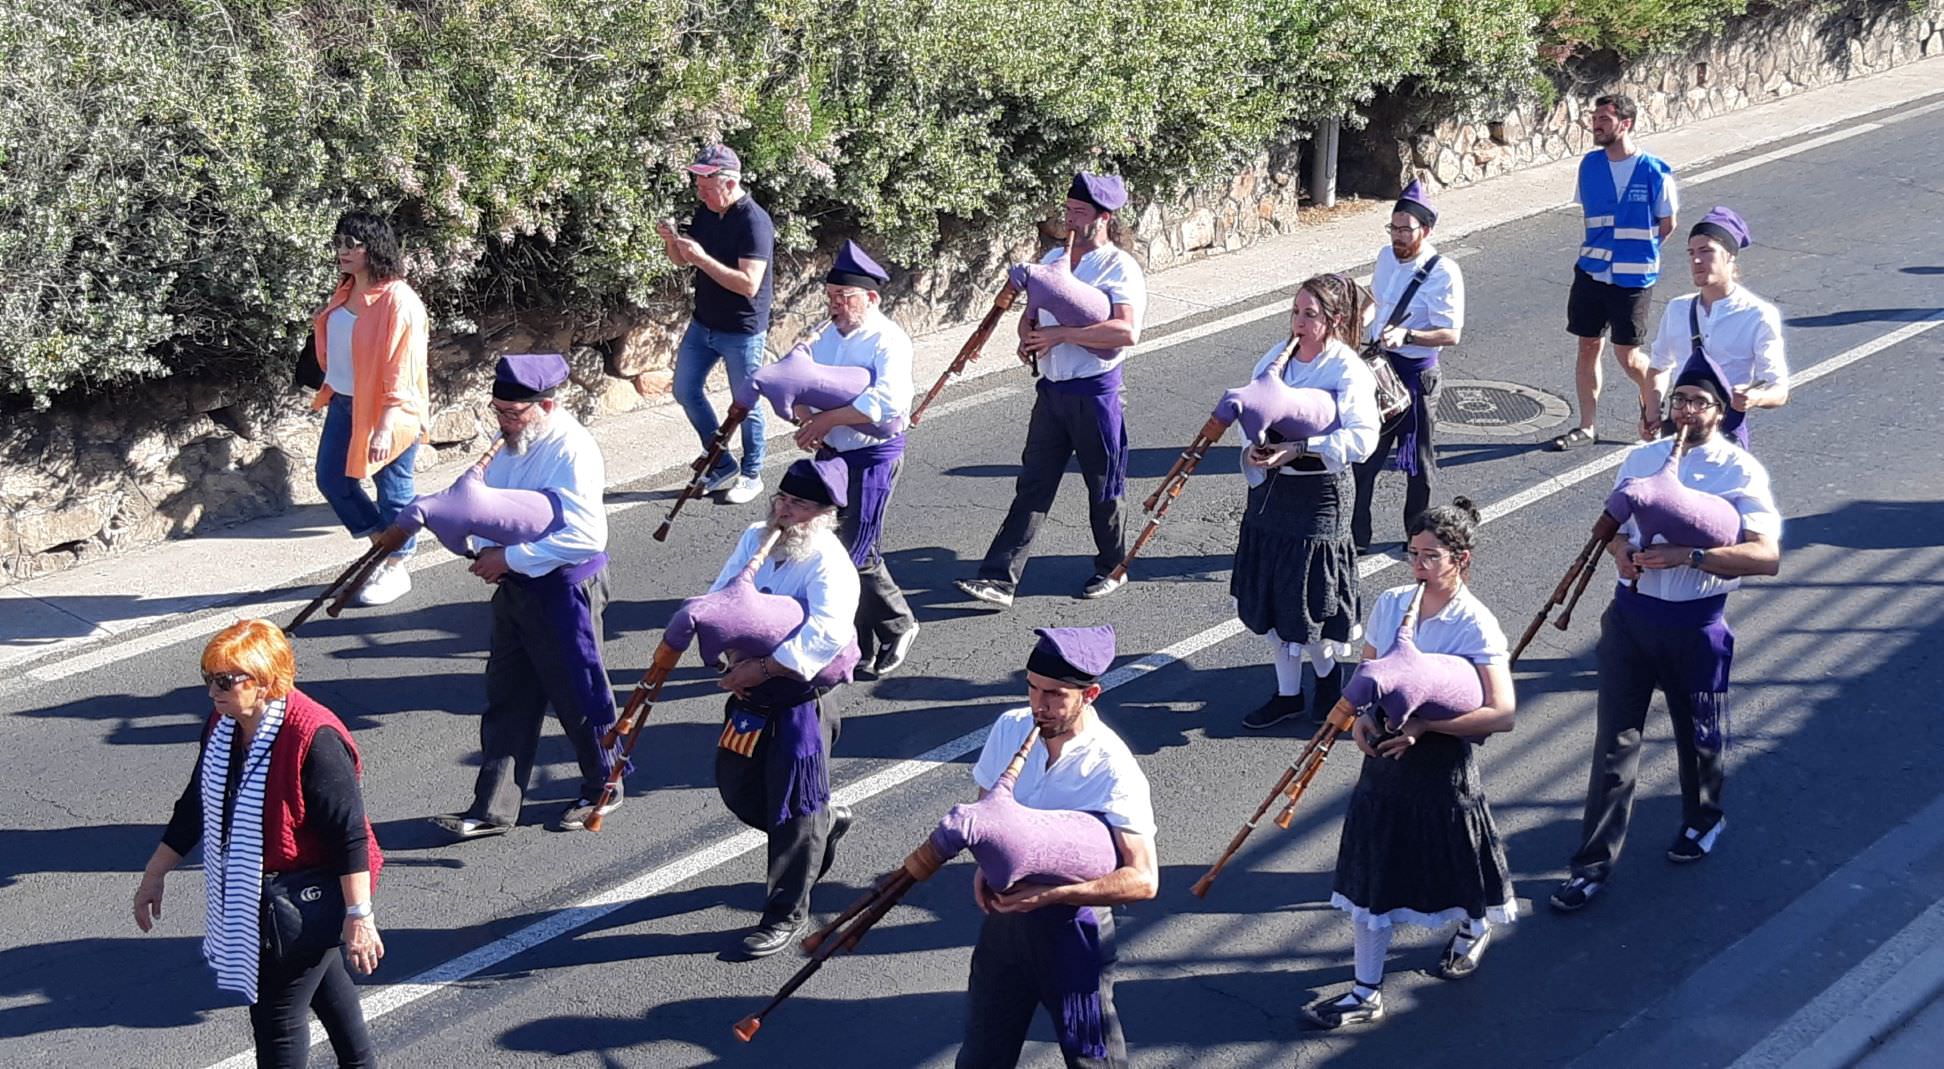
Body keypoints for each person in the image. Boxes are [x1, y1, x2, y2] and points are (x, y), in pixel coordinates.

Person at [1551, 371, 1782, 912]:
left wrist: (1690, 556)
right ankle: (1591, 866)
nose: (1685, 410)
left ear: (1719, 412)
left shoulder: (1738, 471)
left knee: (1697, 735)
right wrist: (1622, 556)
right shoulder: (1642, 459)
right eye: (1680, 399)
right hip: (1631, 620)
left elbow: (1766, 556)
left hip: (1695, 625)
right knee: (1614, 743)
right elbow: (1618, 532)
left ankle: (1704, 818)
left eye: (1699, 402)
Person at [1304, 500, 1519, 1029]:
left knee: (1456, 858)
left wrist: (1425, 729)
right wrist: (1360, 719)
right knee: (1373, 871)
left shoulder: (1476, 624)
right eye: (1413, 553)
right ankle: (1365, 991)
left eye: (1430, 556)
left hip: (1443, 765)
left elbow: (1502, 713)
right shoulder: (1392, 601)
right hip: (1385, 760)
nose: (1417, 565)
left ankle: (1473, 928)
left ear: (1460, 560)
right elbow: (1372, 669)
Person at [133, 619, 384, 1068]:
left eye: (226, 680)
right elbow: (196, 803)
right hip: (265, 892)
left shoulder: (314, 736)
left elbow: (350, 835)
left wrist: (359, 917)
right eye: (208, 677)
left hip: (304, 899)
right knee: (329, 994)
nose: (214, 689)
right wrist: (155, 874)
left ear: (267, 681)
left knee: (278, 1021)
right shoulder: (225, 724)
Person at [431, 353, 627, 840]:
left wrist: (508, 560)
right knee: (508, 694)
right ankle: (493, 808)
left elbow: (585, 535)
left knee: (578, 692)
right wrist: (476, 545)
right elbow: (495, 511)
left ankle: (605, 784)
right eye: (497, 411)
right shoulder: (511, 444)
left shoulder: (570, 449)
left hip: (565, 586)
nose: (502, 423)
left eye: (512, 414)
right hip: (518, 585)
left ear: (547, 404)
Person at [958, 626, 1157, 1069]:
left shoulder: (1112, 767)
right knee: (981, 1056)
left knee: (1092, 1060)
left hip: (1072, 932)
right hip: (1004, 927)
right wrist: (986, 865)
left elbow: (1143, 879)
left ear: (1090, 694)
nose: (1038, 705)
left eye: (1054, 694)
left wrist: (1053, 895)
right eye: (1032, 688)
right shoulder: (1010, 727)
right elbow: (989, 813)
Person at [957, 173, 1146, 609]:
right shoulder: (1055, 257)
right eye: (1068, 211)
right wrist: (1028, 335)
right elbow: (1032, 314)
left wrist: (1061, 335)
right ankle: (999, 579)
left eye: (1080, 213)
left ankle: (1112, 566)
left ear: (1104, 217)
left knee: (1104, 486)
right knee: (1033, 484)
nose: (1071, 219)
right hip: (1052, 391)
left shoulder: (1119, 267)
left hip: (1096, 394)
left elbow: (1126, 331)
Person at [710, 457, 861, 957]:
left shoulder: (828, 562)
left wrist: (766, 668)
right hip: (751, 689)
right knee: (736, 782)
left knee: (794, 806)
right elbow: (725, 594)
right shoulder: (756, 535)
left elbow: (827, 633)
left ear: (823, 513)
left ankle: (784, 913)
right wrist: (730, 651)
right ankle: (826, 824)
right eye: (782, 499)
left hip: (800, 697)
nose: (785, 512)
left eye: (798, 505)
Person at [1235, 275, 1380, 731]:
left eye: (1309, 315)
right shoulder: (1278, 359)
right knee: (1275, 598)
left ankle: (1328, 681)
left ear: (1333, 321)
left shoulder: (1346, 368)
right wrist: (1255, 445)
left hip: (1320, 495)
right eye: (1295, 312)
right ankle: (1287, 695)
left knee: (1309, 602)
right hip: (1273, 491)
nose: (1298, 323)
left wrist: (1302, 449)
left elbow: (1363, 438)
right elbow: (1252, 405)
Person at [789, 240, 921, 676]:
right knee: (829, 547)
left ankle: (899, 623)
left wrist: (826, 421)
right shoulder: (825, 337)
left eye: (844, 299)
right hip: (833, 455)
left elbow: (887, 403)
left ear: (871, 298)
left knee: (857, 552)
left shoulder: (889, 341)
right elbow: (803, 383)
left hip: (872, 455)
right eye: (830, 298)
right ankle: (858, 642)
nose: (835, 307)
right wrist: (806, 416)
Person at [310, 210, 430, 606]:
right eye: (339, 242)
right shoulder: (345, 289)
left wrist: (385, 423)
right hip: (344, 403)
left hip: (388, 412)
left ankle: (395, 566)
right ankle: (385, 549)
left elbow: (402, 364)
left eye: (351, 244)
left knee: (393, 492)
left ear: (372, 247)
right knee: (332, 479)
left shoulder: (398, 300)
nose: (342, 251)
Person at [1551, 94, 1679, 451]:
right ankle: (1586, 426)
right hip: (1592, 271)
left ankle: (1652, 398)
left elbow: (1667, 224)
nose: (1596, 124)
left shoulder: (1655, 171)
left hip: (1633, 277)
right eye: (1595, 118)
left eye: (1605, 118)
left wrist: (1637, 252)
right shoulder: (1589, 166)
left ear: (1626, 123)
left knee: (1628, 355)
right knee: (1588, 345)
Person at [1351, 181, 1464, 553]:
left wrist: (1410, 336)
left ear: (1425, 230)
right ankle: (1356, 536)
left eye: (1405, 230)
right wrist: (1356, 321)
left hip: (1418, 377)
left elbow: (1451, 333)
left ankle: (1418, 539)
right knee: (1365, 456)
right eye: (1393, 228)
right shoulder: (1385, 257)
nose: (1398, 237)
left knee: (1418, 464)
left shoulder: (1444, 272)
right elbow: (1377, 300)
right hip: (1380, 372)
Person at [659, 144, 774, 505]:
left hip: (741, 329)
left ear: (728, 183)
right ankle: (721, 462)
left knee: (745, 405)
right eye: (697, 185)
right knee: (685, 390)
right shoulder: (707, 211)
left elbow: (748, 284)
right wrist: (671, 243)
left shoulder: (754, 222)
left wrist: (703, 259)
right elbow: (682, 261)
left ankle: (752, 473)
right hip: (703, 323)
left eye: (706, 187)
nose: (700, 193)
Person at [1638, 207, 1789, 446]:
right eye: (1691, 253)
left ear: (1730, 255)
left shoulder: (1758, 314)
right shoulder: (1677, 308)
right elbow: (1658, 367)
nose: (1696, 260)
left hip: (1725, 436)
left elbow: (1779, 390)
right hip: (1678, 433)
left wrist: (1755, 397)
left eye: (1707, 251)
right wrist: (1652, 414)